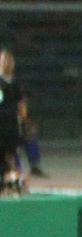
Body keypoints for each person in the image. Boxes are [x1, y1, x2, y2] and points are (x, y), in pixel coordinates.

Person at [0, 48, 22, 193]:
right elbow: (21, 105)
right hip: (12, 123)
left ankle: (4, 185)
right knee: (11, 157)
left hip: (1, 123)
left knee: (2, 158)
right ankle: (15, 185)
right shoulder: (15, 82)